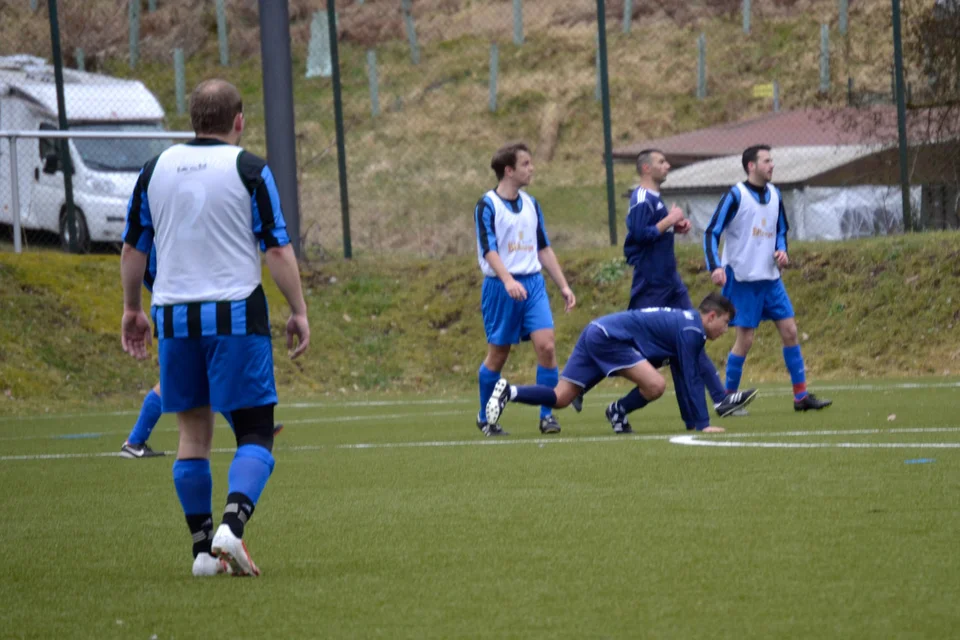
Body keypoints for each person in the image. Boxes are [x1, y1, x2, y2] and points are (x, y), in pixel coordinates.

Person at [120, 79, 310, 578]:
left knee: (192, 436)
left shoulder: (153, 169)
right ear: (239, 121)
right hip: (234, 316)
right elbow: (276, 249)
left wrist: (131, 308)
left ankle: (203, 554)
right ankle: (233, 524)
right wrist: (299, 309)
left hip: (174, 319)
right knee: (255, 430)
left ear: (193, 119)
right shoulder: (249, 168)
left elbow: (134, 247)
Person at [612, 148, 757, 430]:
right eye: (661, 162)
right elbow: (638, 236)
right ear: (645, 169)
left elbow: (653, 233)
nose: (667, 166)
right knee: (639, 355)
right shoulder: (641, 197)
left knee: (692, 338)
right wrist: (669, 220)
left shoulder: (654, 198)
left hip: (670, 283)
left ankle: (719, 399)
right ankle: (588, 385)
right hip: (652, 285)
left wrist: (672, 227)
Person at [486, 292, 736, 434]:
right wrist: (703, 426)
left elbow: (682, 373)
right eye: (725, 323)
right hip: (610, 339)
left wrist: (692, 423)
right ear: (711, 316)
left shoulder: (687, 324)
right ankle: (618, 410)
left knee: (560, 397)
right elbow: (691, 377)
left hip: (597, 331)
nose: (725, 330)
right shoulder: (692, 329)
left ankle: (510, 391)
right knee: (656, 385)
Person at [120, 247, 283, 460]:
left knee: (202, 377)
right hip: (179, 305)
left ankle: (249, 432)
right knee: (184, 379)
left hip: (182, 303)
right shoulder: (162, 227)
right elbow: (140, 257)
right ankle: (134, 440)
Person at [703, 144, 831, 412]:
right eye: (766, 161)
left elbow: (781, 229)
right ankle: (728, 399)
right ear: (751, 166)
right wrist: (715, 265)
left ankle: (801, 397)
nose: (772, 165)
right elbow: (712, 232)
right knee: (745, 340)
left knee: (790, 331)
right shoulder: (735, 195)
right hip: (742, 279)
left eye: (772, 160)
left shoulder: (775, 194)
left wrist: (782, 250)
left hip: (770, 279)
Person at [474, 142, 575, 437]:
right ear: (509, 170)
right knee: (498, 355)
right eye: (526, 164)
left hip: (533, 284)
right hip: (500, 286)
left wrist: (564, 286)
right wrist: (507, 280)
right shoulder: (487, 205)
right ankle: (486, 418)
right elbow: (488, 250)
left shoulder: (531, 203)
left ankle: (547, 416)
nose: (532, 169)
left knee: (547, 346)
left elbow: (543, 248)